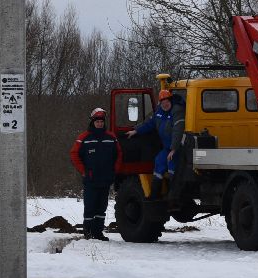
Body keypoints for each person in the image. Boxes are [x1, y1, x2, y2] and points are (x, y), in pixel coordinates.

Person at [69, 106, 121, 240]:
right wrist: (83, 171)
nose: (99, 124)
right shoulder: (84, 137)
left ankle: (98, 233)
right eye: (97, 121)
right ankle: (88, 233)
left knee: (101, 208)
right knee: (90, 207)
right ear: (93, 122)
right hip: (91, 180)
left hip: (105, 179)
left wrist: (114, 170)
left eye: (101, 121)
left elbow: (119, 154)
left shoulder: (111, 137)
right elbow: (74, 154)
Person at [129, 88, 177, 197]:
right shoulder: (158, 114)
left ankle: (173, 194)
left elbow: (178, 131)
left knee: (171, 165)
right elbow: (148, 124)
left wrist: (174, 148)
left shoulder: (175, 113)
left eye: (167, 102)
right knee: (159, 161)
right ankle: (155, 193)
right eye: (163, 102)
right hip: (166, 148)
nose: (165, 104)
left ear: (171, 101)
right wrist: (136, 130)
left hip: (176, 148)